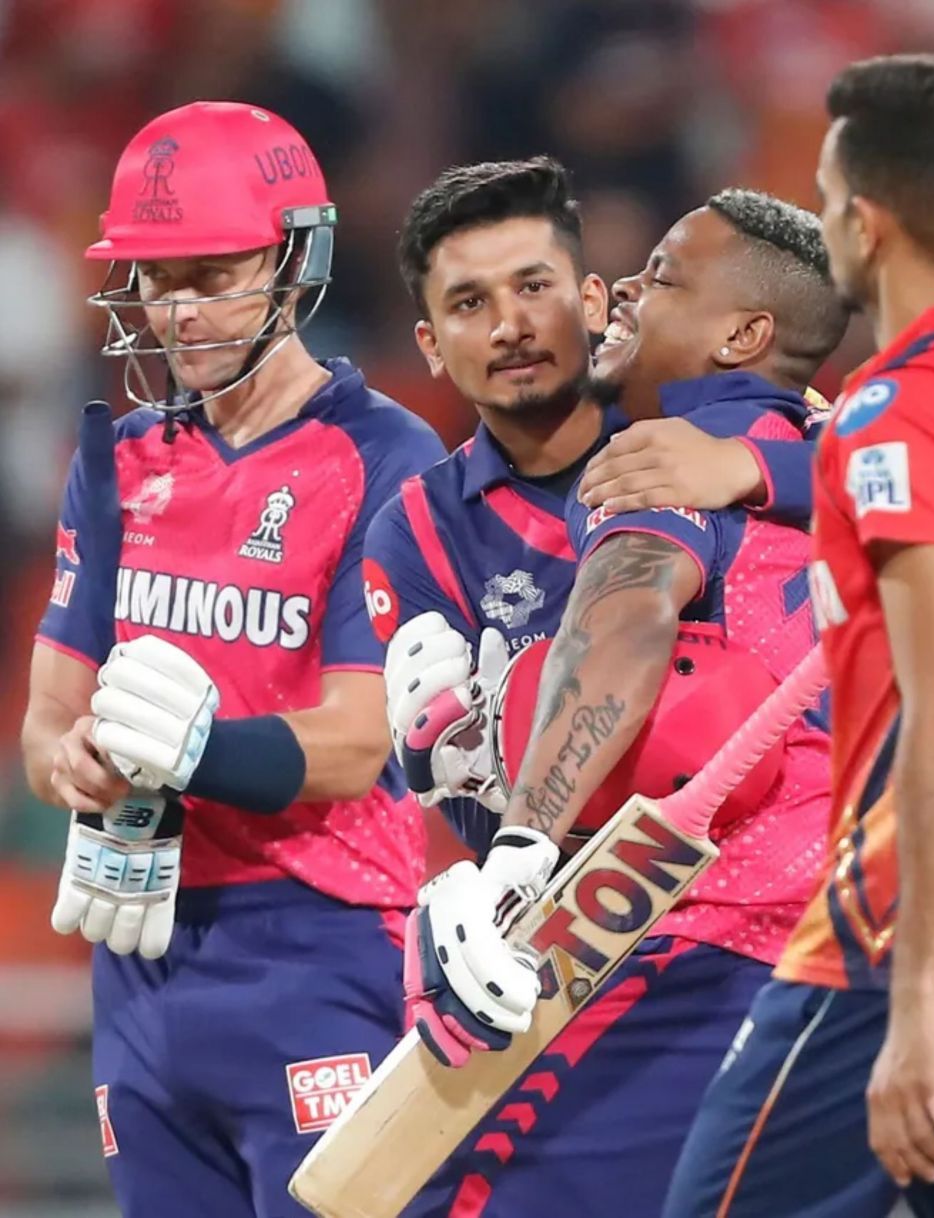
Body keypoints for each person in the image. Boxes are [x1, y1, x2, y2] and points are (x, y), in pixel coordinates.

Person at [367, 156, 842, 1215]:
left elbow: (624, 623)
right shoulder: (419, 529)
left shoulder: (661, 455)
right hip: (841, 928)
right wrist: (454, 778)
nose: (511, 325)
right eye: (468, 303)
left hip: (710, 930)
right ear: (432, 345)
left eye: (536, 287)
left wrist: (520, 842)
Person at [20, 101, 445, 1217]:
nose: (179, 308)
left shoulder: (384, 453)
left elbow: (361, 742)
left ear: (294, 258)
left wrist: (191, 750)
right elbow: (46, 718)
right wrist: (79, 767)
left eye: (214, 271)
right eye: (159, 277)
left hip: (319, 949)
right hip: (141, 946)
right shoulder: (114, 457)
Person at [661, 53, 934, 1218]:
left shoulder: (892, 413)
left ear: (865, 224)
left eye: (823, 198)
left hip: (897, 939)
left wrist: (914, 993)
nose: (820, 219)